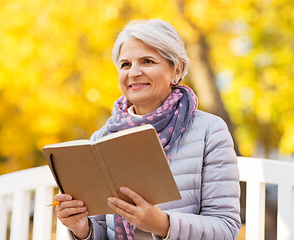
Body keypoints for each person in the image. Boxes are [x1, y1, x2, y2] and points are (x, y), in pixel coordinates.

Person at [54, 19, 241, 240]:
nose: (133, 72)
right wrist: (83, 229)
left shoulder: (210, 131)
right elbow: (103, 232)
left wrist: (163, 225)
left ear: (177, 70)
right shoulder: (101, 139)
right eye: (125, 65)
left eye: (147, 61)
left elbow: (226, 228)